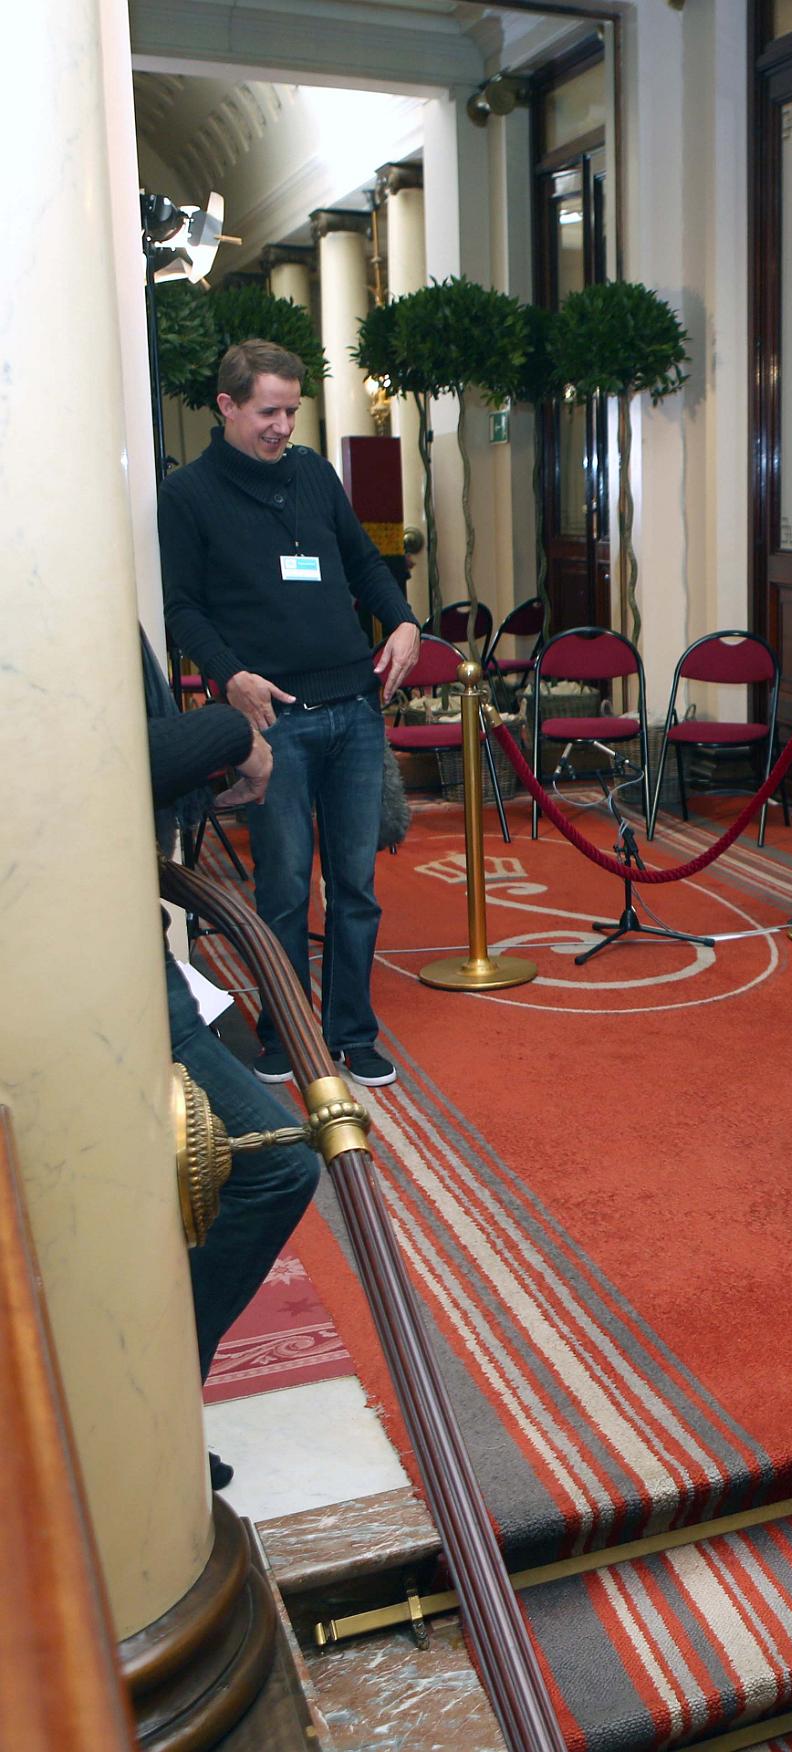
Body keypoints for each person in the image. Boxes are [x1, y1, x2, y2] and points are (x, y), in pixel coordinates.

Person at [161, 339, 420, 1087]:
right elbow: (181, 606)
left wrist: (401, 620)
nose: (282, 426)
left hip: (354, 710)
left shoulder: (313, 473)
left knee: (356, 887)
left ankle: (352, 1032)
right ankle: (281, 1032)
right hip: (273, 721)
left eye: (290, 410)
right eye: (268, 411)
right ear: (227, 406)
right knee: (279, 889)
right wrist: (229, 674)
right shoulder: (190, 496)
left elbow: (364, 563)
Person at [141, 633, 321, 1489]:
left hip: (118, 948)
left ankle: (152, 1405)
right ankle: (151, 1411)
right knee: (277, 1160)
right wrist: (225, 729)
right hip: (78, 967)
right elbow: (103, 764)